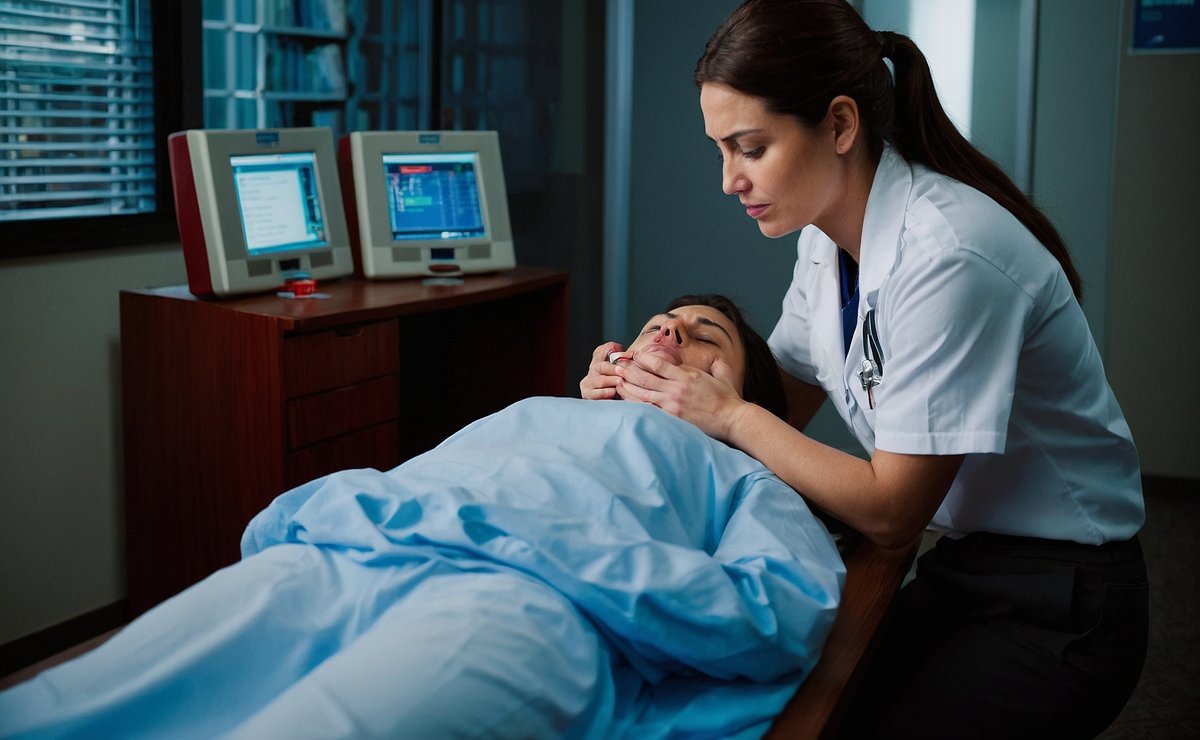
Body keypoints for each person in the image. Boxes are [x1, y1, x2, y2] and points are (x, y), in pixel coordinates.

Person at [581, 0, 1148, 740]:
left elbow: (889, 509)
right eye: (721, 150)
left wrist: (730, 413)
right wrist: (632, 398)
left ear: (840, 124)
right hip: (964, 564)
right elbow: (774, 400)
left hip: (1065, 600)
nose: (729, 180)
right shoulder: (826, 243)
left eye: (751, 148)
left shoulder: (947, 255)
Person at [1, 295, 844, 740]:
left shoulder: (744, 472)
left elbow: (775, 611)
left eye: (706, 336)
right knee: (84, 701)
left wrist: (576, 554)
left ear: (743, 395)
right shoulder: (546, 411)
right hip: (354, 548)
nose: (670, 330)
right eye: (662, 320)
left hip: (527, 606)